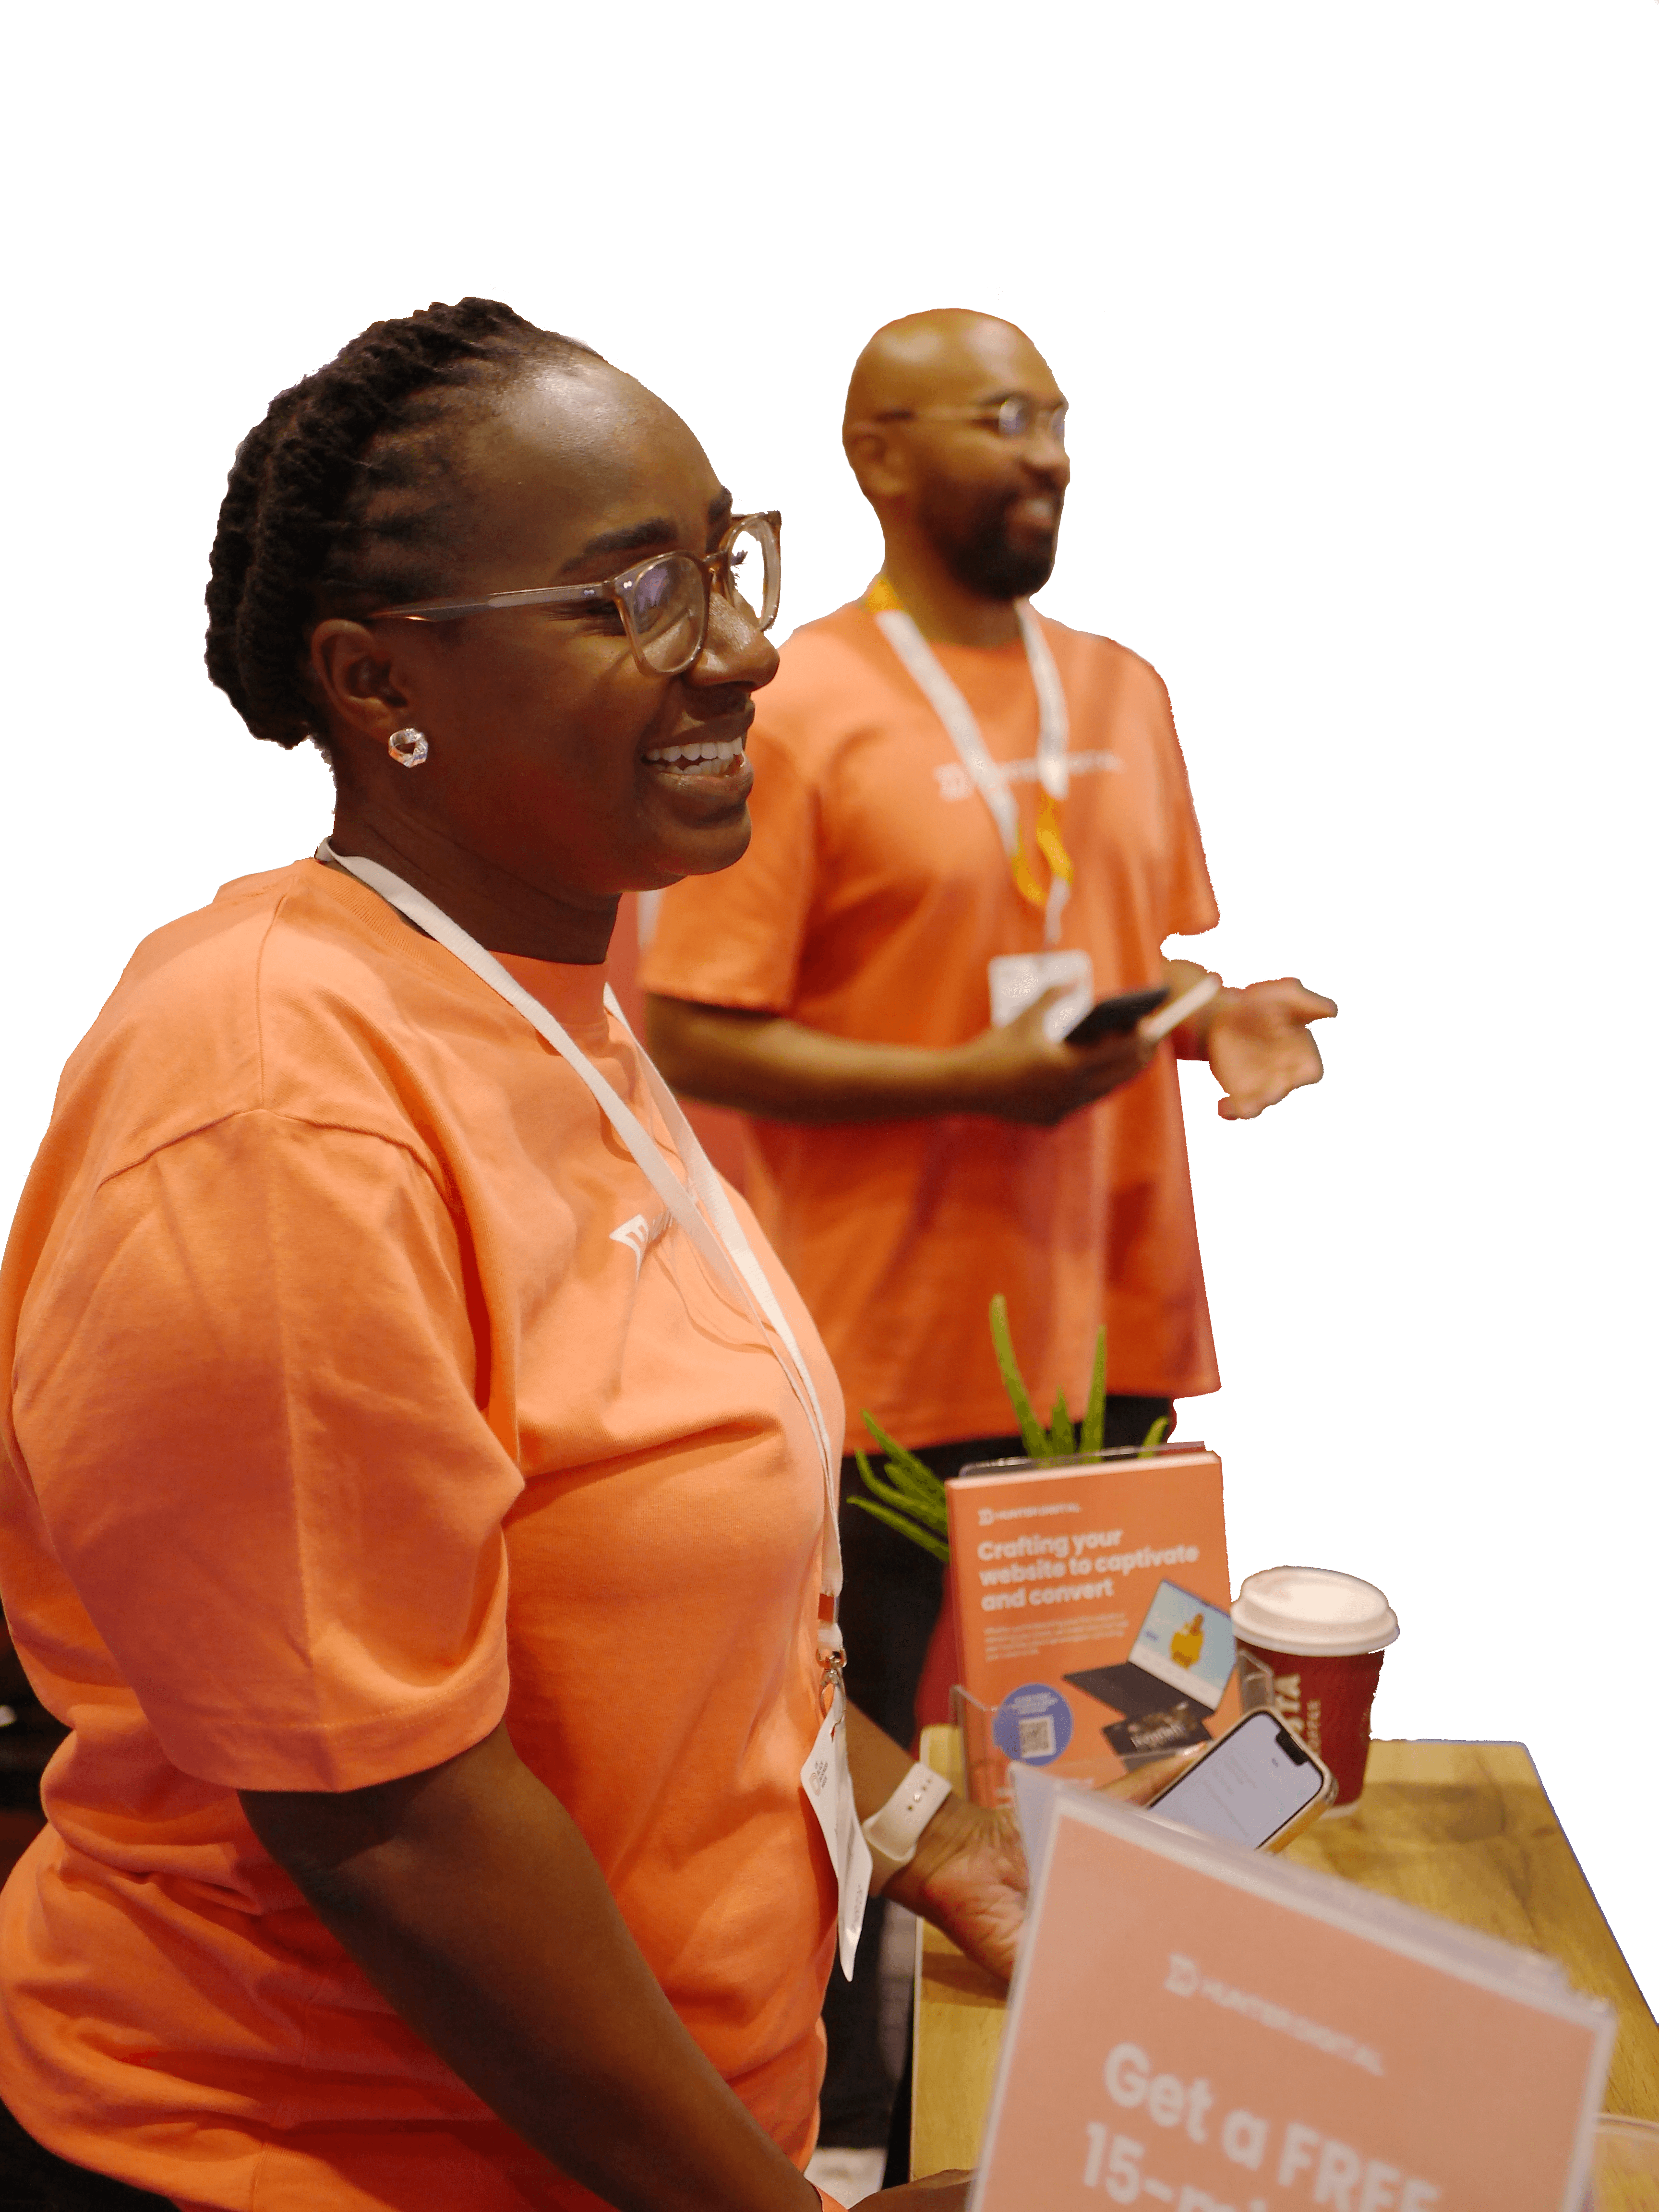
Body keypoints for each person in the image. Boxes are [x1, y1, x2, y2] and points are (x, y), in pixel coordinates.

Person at [0, 299, 1031, 2212]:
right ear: (378, 679)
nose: (746, 645)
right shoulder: (268, 1097)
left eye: (729, 560)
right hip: (318, 2166)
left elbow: (635, 1614)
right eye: (632, 597)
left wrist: (923, 1824)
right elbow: (383, 1818)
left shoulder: (558, 989)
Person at [640, 308, 1336, 2160]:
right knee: (839, 1779)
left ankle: (1113, 2108)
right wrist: (969, 1079)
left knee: (1128, 1761)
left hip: (1114, 1331)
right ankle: (845, 2141)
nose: (1051, 456)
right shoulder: (791, 703)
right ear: (878, 453)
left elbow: (1105, 972)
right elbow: (685, 1020)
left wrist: (1205, 1015)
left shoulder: (1123, 689)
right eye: (1007, 419)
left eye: (1060, 421)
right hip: (876, 1350)